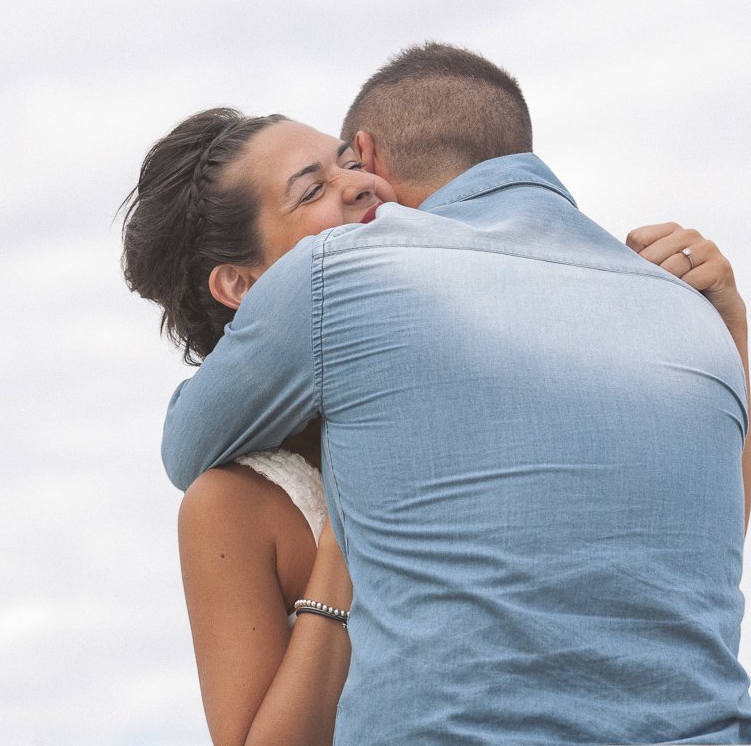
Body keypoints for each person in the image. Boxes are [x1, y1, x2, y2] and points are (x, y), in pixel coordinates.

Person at [149, 44, 751, 744]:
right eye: (311, 190)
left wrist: (733, 338)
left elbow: (679, 558)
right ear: (241, 288)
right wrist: (351, 542)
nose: (359, 185)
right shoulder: (235, 499)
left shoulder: (503, 367)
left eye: (350, 163)